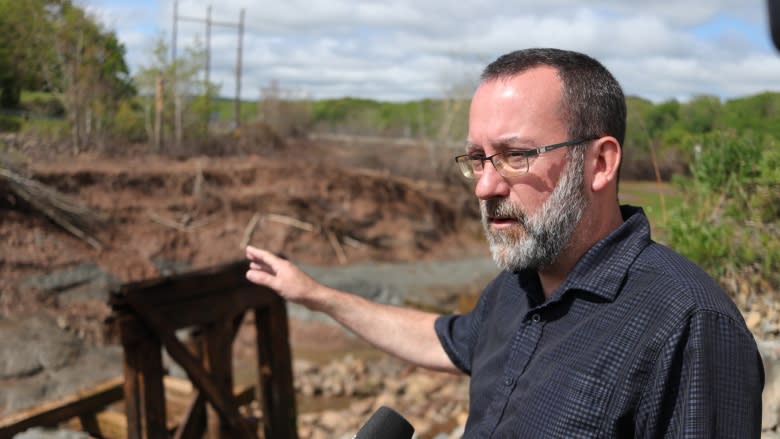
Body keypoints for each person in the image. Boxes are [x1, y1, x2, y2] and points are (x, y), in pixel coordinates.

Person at [246, 48, 764, 437]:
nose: (484, 186)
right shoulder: (516, 287)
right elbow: (444, 339)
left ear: (600, 163)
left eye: (515, 156)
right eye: (477, 158)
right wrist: (315, 294)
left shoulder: (690, 323)